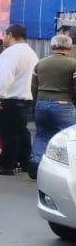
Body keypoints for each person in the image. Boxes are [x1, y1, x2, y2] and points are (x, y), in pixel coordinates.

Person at [0, 24, 39, 176]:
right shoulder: (30, 53)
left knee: (8, 133)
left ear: (10, 35)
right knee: (21, 131)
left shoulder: (11, 53)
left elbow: (4, 76)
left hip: (9, 98)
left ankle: (7, 165)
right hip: (25, 97)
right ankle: (24, 161)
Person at [31, 33, 76, 177]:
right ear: (69, 47)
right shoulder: (73, 64)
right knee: (68, 138)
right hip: (64, 104)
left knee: (42, 135)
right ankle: (63, 168)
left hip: (41, 103)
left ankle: (35, 162)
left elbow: (33, 86)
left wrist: (36, 102)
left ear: (52, 46)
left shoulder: (40, 63)